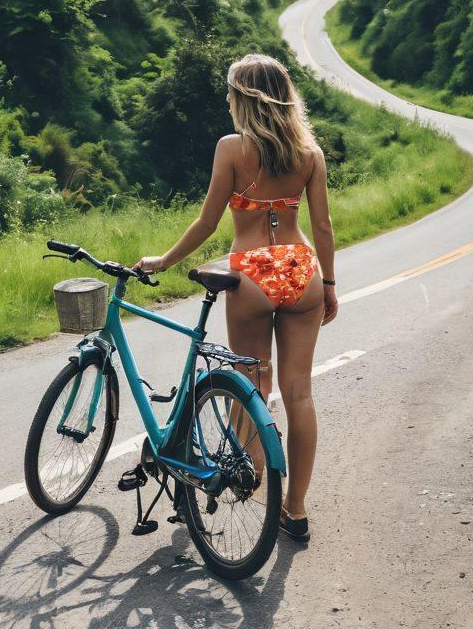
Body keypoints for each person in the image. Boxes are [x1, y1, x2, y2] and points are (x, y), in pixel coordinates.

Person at [137, 53, 337, 542]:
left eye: (230, 94)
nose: (227, 102)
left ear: (242, 99)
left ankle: (252, 487)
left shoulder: (231, 149)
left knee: (250, 387)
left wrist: (164, 261)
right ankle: (296, 508)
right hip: (300, 269)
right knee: (300, 393)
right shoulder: (309, 153)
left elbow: (207, 223)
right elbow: (324, 226)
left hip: (248, 273)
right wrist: (328, 284)